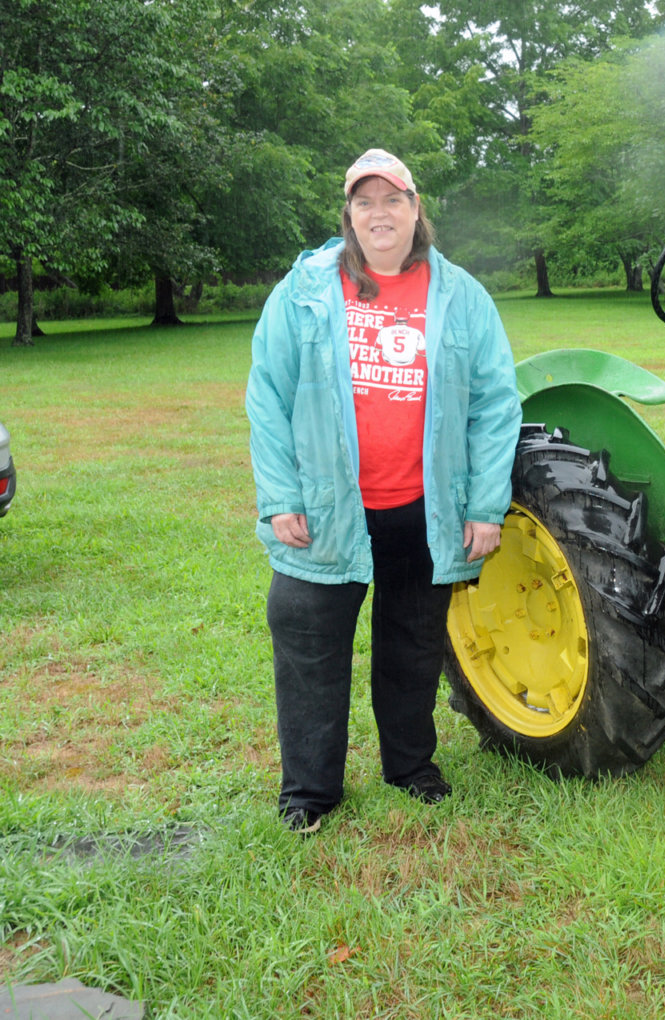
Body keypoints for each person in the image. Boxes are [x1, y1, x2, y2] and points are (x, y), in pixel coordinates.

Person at [246, 149, 522, 835]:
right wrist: (281, 496)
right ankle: (309, 790)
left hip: (422, 511)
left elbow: (495, 403)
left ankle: (409, 767)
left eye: (392, 200)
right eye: (364, 202)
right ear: (348, 214)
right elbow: (267, 395)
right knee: (310, 645)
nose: (379, 214)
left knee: (412, 644)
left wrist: (485, 506)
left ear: (415, 208)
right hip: (326, 511)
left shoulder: (460, 296)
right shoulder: (305, 290)